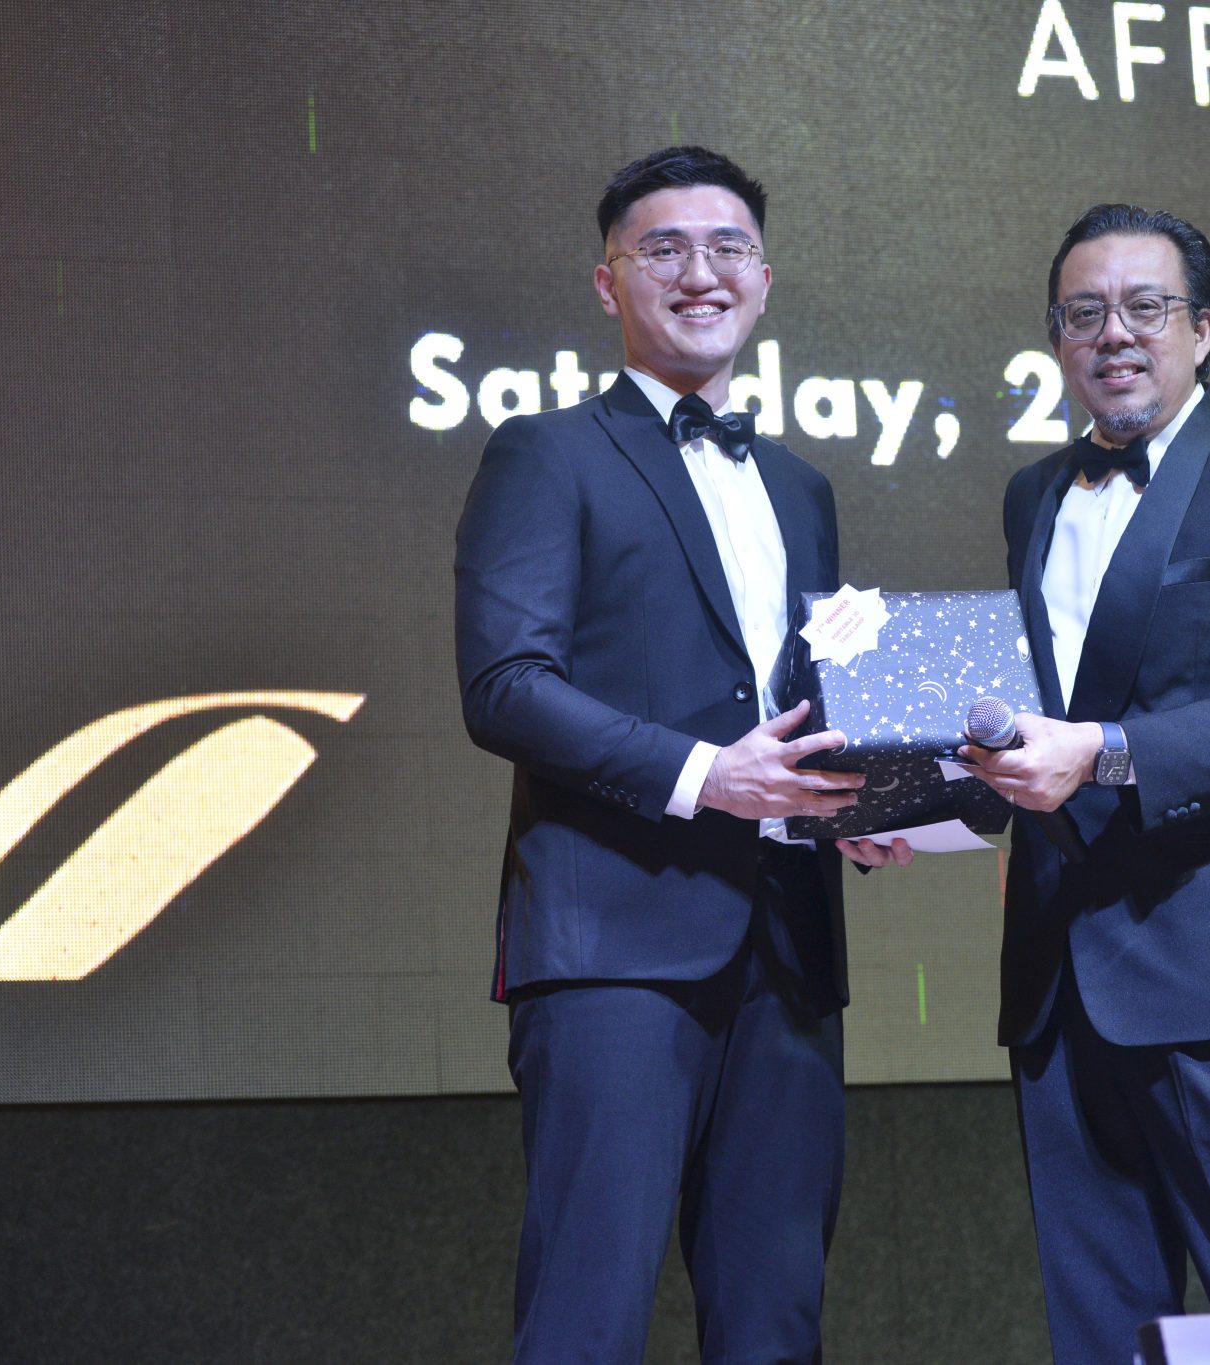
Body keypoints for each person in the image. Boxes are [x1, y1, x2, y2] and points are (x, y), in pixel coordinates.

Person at [455, 145, 907, 1364]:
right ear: (608, 283)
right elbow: (504, 688)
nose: (699, 272)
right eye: (662, 248)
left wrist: (856, 800)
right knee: (587, 1320)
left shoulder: (801, 485)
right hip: (612, 947)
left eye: (727, 248)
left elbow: (798, 706)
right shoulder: (546, 451)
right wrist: (708, 777)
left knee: (774, 1321)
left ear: (763, 279)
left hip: (789, 951)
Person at [960, 203, 1210, 1360]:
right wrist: (924, 806)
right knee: (1102, 1332)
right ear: (1054, 339)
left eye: (1145, 307)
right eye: (1082, 313)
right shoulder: (1032, 494)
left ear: (1202, 329)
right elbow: (1036, 721)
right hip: (1055, 979)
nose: (1114, 334)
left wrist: (1101, 751)